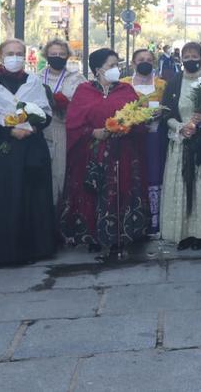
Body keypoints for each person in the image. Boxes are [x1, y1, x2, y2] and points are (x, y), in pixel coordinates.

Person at [0, 39, 57, 266]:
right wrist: (9, 131)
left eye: (19, 53)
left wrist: (32, 126)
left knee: (31, 196)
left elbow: (45, 114)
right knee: (1, 197)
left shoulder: (34, 81)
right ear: (0, 56)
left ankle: (35, 247)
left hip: (30, 147)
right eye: (10, 53)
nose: (15, 57)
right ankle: (1, 250)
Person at [61, 48, 150, 254]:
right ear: (98, 69)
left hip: (123, 151)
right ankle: (92, 236)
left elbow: (138, 117)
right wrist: (93, 132)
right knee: (92, 193)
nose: (115, 70)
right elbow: (73, 122)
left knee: (122, 190)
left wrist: (128, 126)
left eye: (116, 66)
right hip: (92, 152)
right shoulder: (84, 90)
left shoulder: (126, 90)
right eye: (111, 66)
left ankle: (123, 234)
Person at [159, 42, 201, 250]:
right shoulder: (173, 83)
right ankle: (183, 233)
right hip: (181, 143)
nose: (190, 59)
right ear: (181, 59)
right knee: (181, 187)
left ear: (200, 56)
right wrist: (181, 127)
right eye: (186, 56)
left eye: (194, 55)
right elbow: (165, 113)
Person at [123, 48, 167, 234]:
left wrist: (161, 111)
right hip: (130, 137)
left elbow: (170, 106)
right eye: (141, 59)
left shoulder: (162, 84)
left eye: (149, 59)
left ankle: (155, 220)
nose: (145, 62)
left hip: (154, 137)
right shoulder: (124, 84)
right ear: (133, 63)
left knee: (154, 174)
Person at [40, 39, 87, 208]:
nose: (57, 57)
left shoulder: (77, 78)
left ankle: (64, 214)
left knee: (63, 174)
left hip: (67, 130)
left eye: (61, 54)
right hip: (42, 131)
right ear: (46, 56)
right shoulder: (37, 77)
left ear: (68, 56)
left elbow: (84, 105)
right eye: (53, 54)